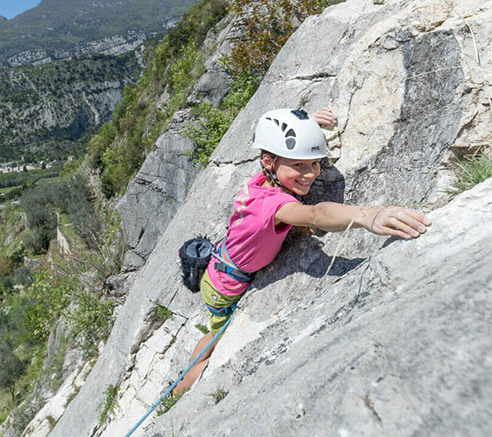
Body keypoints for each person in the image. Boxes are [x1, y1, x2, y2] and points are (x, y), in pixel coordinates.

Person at [173, 107, 431, 394]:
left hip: (220, 264)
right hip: (224, 286)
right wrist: (367, 216)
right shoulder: (273, 206)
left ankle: (186, 371)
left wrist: (310, 125)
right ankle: (179, 389)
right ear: (269, 161)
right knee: (216, 340)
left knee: (212, 332)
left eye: (315, 163)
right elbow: (316, 216)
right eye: (300, 165)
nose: (310, 174)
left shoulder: (265, 178)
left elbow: (279, 144)